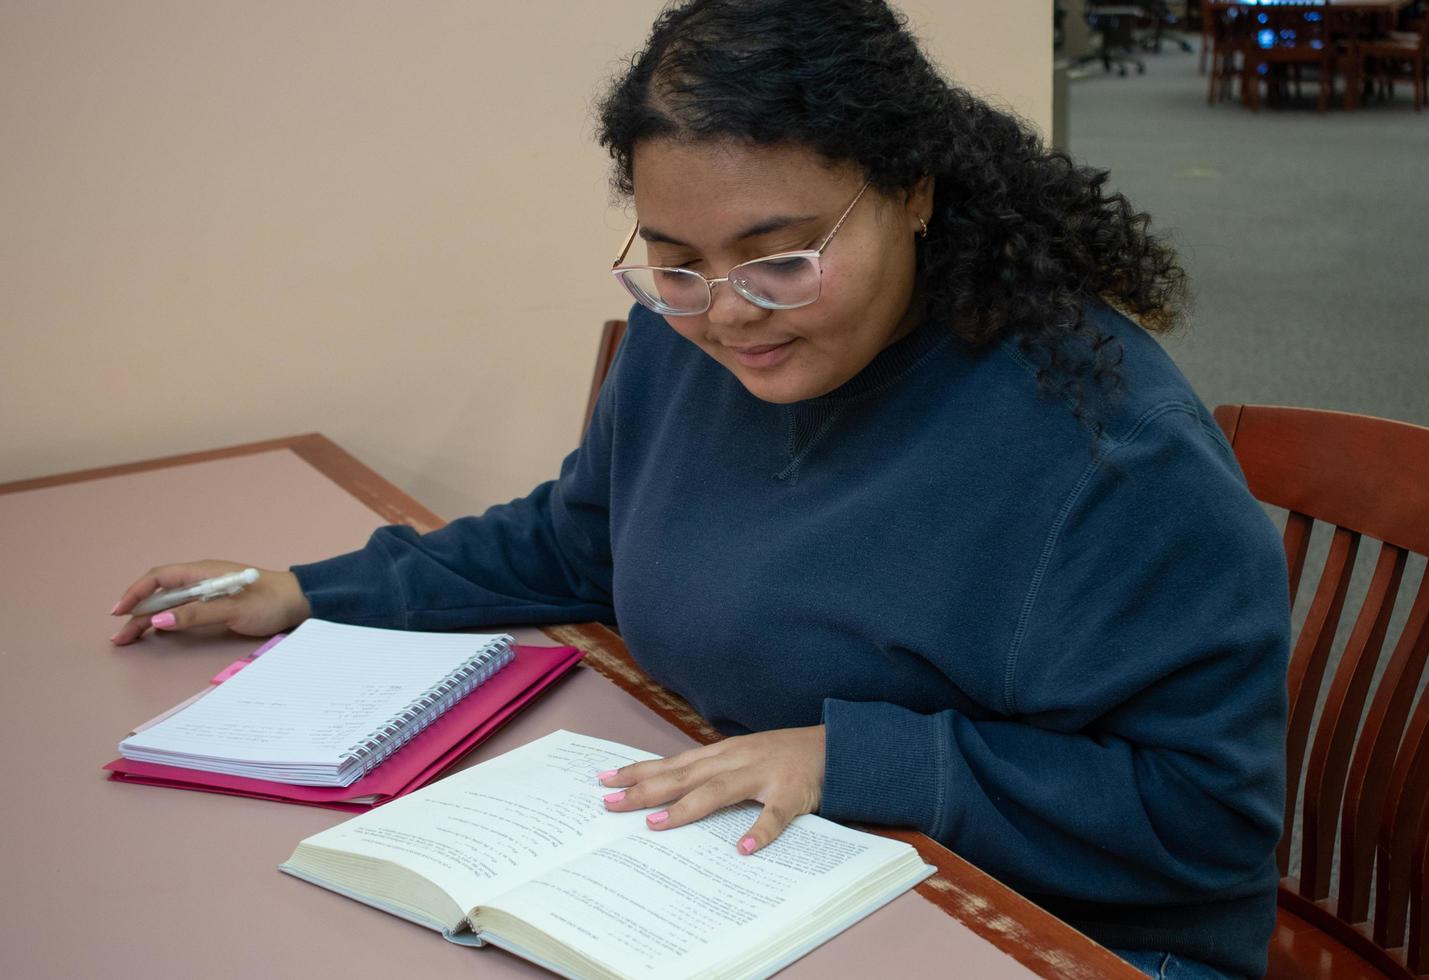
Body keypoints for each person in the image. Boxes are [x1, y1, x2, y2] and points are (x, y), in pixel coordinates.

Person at [109, 2, 1290, 977]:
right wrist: (308, 589)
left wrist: (849, 758)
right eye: (675, 261)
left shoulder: (1110, 452)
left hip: (1054, 934)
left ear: (915, 190)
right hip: (775, 873)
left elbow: (1202, 820)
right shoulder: (681, 346)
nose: (724, 311)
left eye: (781, 258)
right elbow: (573, 546)